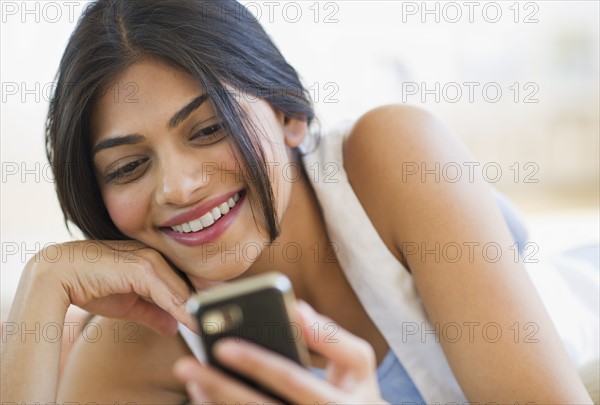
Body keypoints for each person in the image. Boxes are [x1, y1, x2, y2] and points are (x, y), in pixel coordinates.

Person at [1, 0, 593, 403]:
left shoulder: (391, 156)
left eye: (209, 129)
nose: (178, 188)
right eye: (129, 166)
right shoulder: (138, 342)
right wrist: (40, 287)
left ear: (288, 114)